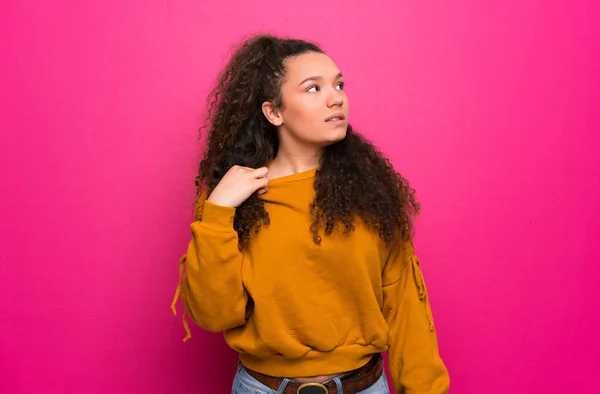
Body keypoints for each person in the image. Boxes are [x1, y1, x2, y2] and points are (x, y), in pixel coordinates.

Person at [171, 34, 450, 394]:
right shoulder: (231, 198)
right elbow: (215, 315)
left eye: (338, 84)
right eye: (313, 88)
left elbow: (405, 309)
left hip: (362, 385)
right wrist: (218, 212)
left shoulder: (370, 193)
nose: (336, 97)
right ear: (273, 111)